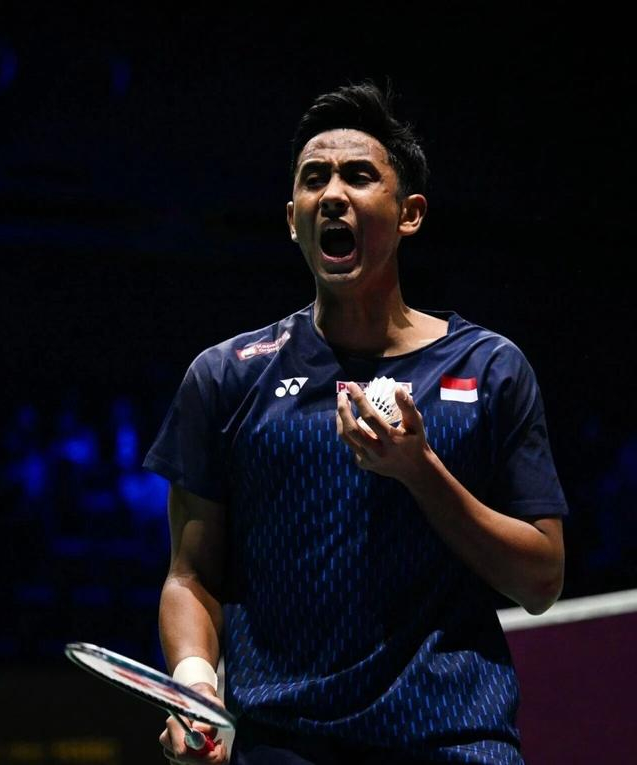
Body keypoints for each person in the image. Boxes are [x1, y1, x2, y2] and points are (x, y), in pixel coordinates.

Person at [143, 81, 567, 764]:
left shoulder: (491, 368)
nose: (333, 194)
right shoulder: (227, 377)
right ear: (293, 219)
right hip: (285, 743)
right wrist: (195, 687)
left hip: (456, 739)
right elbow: (190, 577)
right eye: (315, 179)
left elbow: (541, 581)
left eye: (359, 176)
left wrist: (419, 472)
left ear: (409, 214)